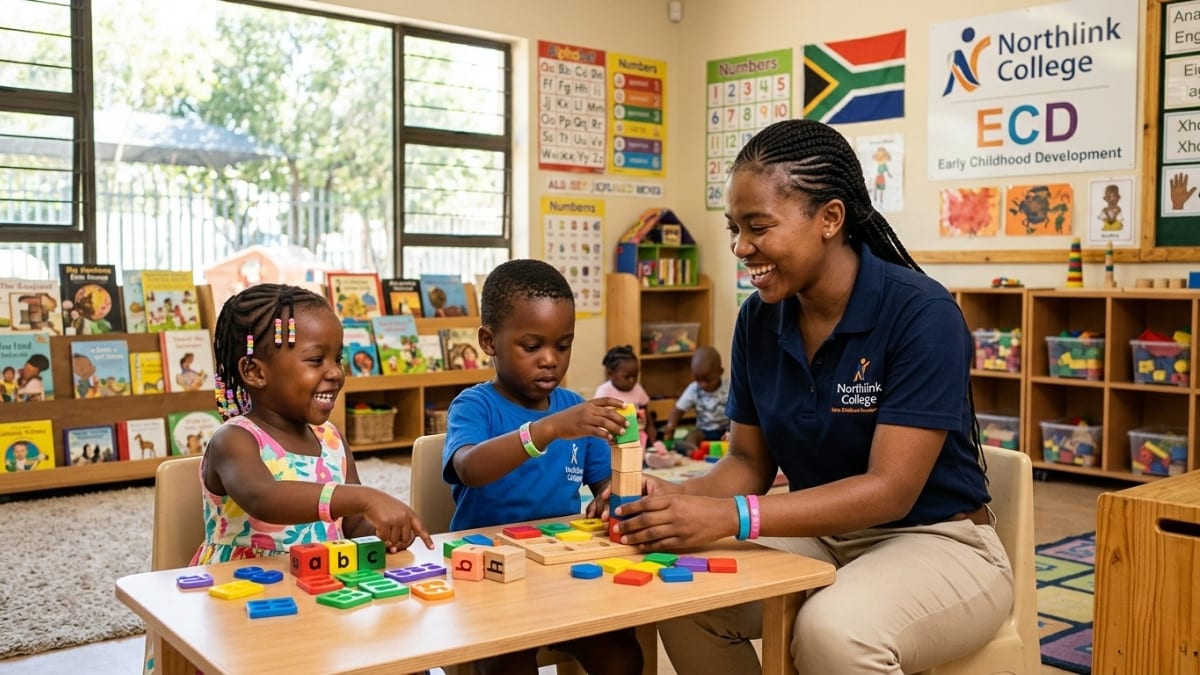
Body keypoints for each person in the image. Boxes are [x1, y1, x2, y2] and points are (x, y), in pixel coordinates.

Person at [610, 119, 1013, 675]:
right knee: (682, 594)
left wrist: (732, 516)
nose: (741, 247)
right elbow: (749, 463)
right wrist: (671, 497)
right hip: (818, 535)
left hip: (940, 542)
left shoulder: (922, 314)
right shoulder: (758, 318)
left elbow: (889, 491)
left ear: (829, 219)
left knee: (833, 632)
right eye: (735, 227)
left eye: (759, 227)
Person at [443, 259, 643, 675]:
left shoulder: (574, 408)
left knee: (623, 653)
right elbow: (469, 468)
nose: (550, 359)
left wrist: (611, 497)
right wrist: (546, 430)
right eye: (532, 347)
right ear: (488, 340)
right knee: (508, 661)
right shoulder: (474, 405)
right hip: (490, 574)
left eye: (563, 345)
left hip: (563, 568)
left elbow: (605, 480)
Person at [659, 346, 729, 450]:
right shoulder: (694, 389)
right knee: (691, 436)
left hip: (725, 430)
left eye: (708, 380)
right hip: (704, 431)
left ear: (720, 372)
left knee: (737, 438)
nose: (703, 385)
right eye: (698, 380)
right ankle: (691, 451)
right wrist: (670, 426)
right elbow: (679, 409)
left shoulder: (729, 387)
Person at [594, 345, 656, 447]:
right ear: (610, 373)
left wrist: (651, 427)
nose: (632, 380)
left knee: (637, 459)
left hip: (637, 435)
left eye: (635, 376)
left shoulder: (637, 388)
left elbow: (645, 409)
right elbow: (598, 416)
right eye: (627, 377)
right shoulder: (604, 391)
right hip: (614, 437)